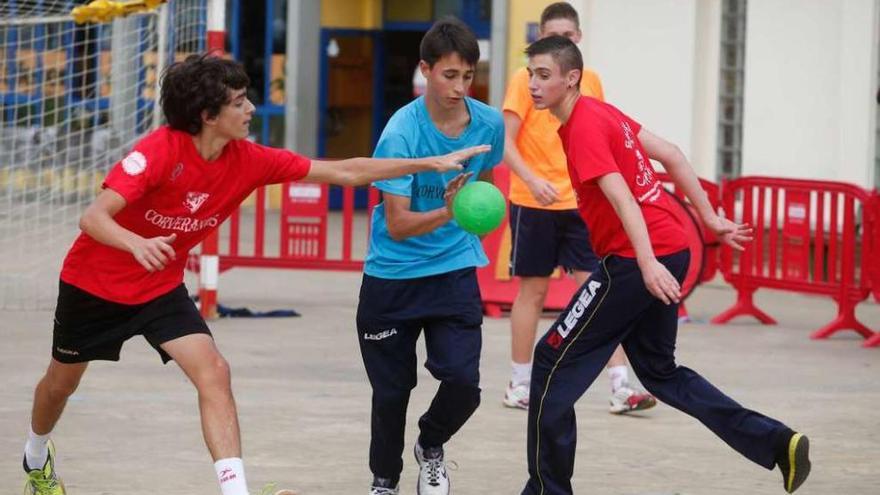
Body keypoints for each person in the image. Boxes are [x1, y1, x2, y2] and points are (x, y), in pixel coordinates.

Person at [20, 53, 488, 495]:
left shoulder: (250, 160)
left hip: (158, 288)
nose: (252, 108)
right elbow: (94, 218)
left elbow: (346, 171)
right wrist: (136, 242)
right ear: (208, 114)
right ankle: (35, 455)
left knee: (215, 372)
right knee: (61, 384)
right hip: (93, 286)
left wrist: (426, 163)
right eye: (240, 102)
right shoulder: (159, 153)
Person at [520, 36, 811, 495]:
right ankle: (778, 444)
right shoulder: (604, 112)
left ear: (570, 77)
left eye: (542, 75)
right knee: (660, 372)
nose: (532, 84)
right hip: (668, 247)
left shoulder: (583, 127)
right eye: (530, 74)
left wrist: (648, 263)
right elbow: (672, 153)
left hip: (639, 258)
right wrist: (709, 218)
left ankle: (545, 490)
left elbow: (622, 198)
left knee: (551, 357)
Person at [356, 18, 504, 495]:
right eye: (449, 76)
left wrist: (473, 209)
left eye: (467, 76)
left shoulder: (488, 124)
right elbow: (397, 225)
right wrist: (448, 209)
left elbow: (486, 182)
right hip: (393, 277)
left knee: (465, 383)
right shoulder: (400, 133)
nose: (460, 88)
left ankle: (431, 446)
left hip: (454, 270)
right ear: (425, 70)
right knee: (392, 392)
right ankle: (384, 480)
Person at [501, 2, 655, 414]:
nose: (560, 42)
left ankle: (620, 386)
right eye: (551, 35)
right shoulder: (525, 79)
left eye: (567, 36)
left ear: (578, 40)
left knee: (599, 290)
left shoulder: (591, 81)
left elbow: (604, 135)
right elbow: (505, 140)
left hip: (580, 203)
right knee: (532, 291)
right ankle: (519, 382)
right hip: (534, 200)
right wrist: (534, 180)